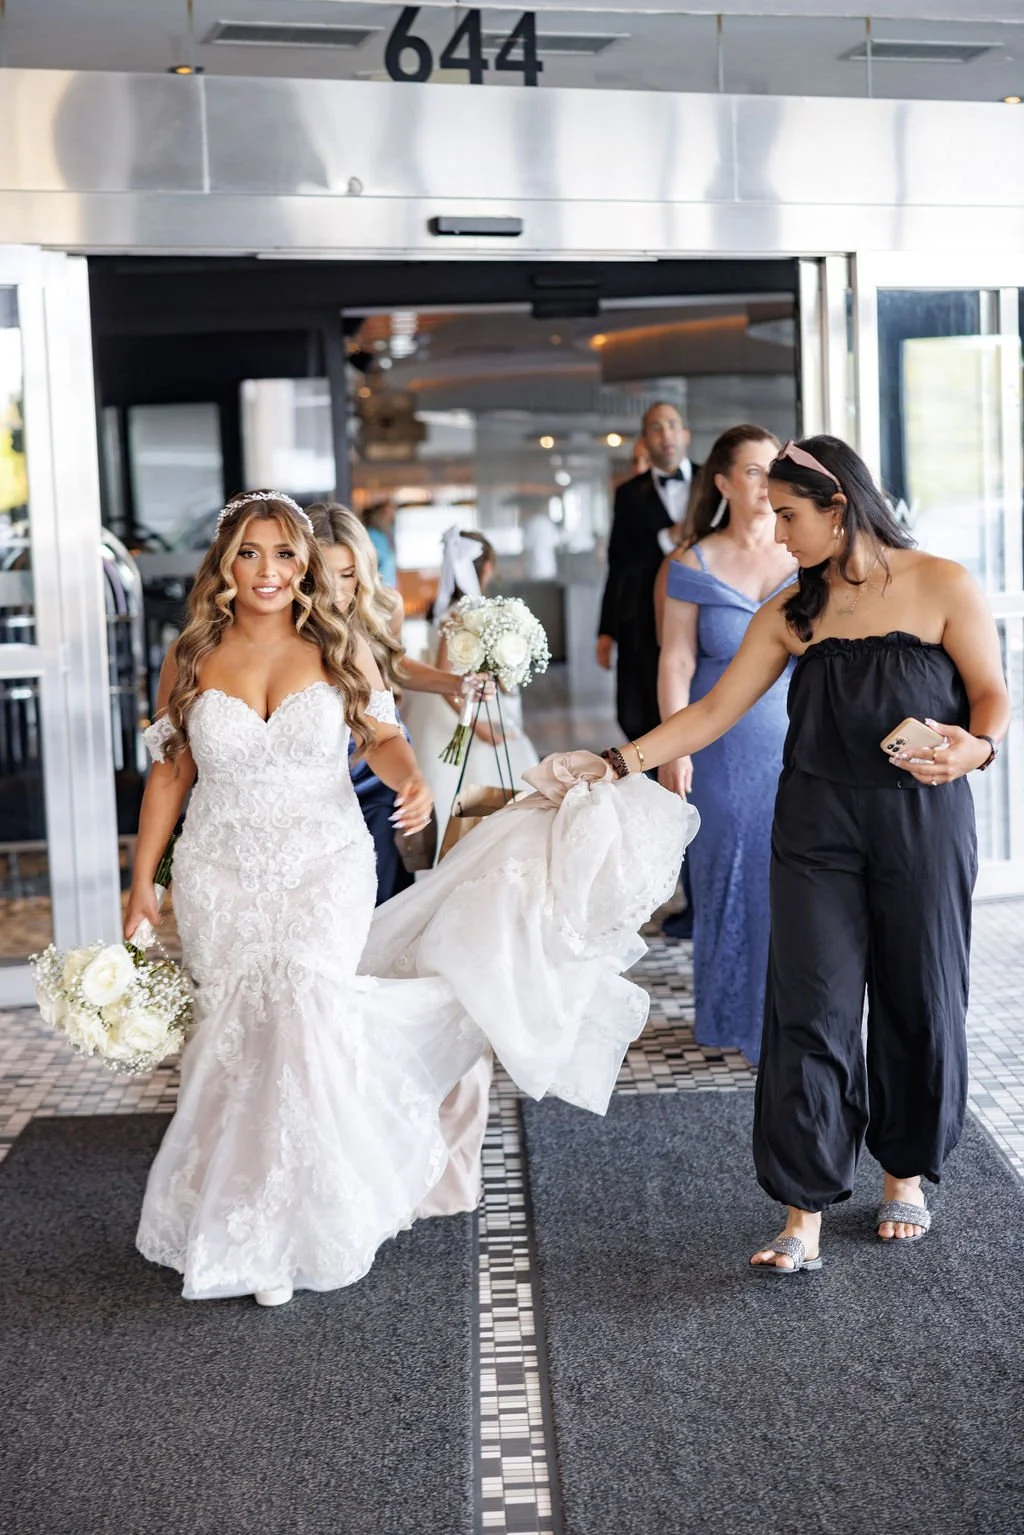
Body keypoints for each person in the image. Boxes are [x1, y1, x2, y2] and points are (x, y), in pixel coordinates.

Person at [125, 490, 692, 1306]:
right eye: (250, 553)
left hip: (324, 863)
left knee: (306, 1011)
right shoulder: (190, 656)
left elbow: (383, 735)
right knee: (236, 1032)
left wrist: (414, 780)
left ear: (305, 564)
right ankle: (236, 1216)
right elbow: (170, 771)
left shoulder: (337, 646)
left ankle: (302, 1221)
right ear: (225, 564)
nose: (269, 571)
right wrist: (145, 879)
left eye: (285, 554)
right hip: (221, 870)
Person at [601, 436, 1010, 1275]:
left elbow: (992, 693)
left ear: (838, 505)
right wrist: (612, 762)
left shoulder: (942, 584)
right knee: (810, 1008)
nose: (776, 532)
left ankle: (903, 1178)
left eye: (789, 515)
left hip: (922, 824)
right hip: (815, 828)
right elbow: (712, 710)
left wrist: (979, 748)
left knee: (918, 995)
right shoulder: (793, 609)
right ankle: (805, 1209)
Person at [654, 425, 795, 1063]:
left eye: (775, 470)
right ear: (722, 483)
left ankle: (789, 1021)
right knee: (726, 872)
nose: (766, 484)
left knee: (793, 873)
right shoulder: (692, 562)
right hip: (719, 742)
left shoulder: (807, 557)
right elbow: (675, 662)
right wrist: (671, 749)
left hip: (799, 738)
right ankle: (729, 1013)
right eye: (753, 472)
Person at [307, 501, 482, 904]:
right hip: (320, 762)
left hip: (377, 758)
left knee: (383, 885)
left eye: (348, 575)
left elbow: (392, 665)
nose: (336, 590)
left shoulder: (384, 606)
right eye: (324, 574)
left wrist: (454, 683)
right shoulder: (286, 621)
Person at [401, 527, 539, 839]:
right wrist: (476, 725)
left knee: (470, 789)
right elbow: (445, 676)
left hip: (460, 707)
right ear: (487, 568)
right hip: (464, 712)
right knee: (475, 788)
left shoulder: (451, 610)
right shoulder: (464, 613)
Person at [596, 402, 701, 742]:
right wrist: (606, 630)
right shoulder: (628, 494)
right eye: (656, 428)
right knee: (638, 708)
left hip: (702, 609)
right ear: (645, 440)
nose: (665, 434)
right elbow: (618, 563)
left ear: (685, 434)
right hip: (641, 616)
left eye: (672, 425)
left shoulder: (713, 483)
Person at [362, 499, 398, 588]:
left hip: (389, 588)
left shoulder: (387, 534)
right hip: (378, 588)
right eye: (386, 513)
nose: (390, 516)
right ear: (378, 514)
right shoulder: (371, 534)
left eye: (392, 512)